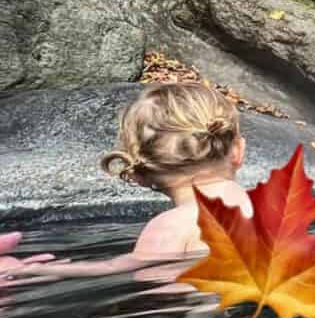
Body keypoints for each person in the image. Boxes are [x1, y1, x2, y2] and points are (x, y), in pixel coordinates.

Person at [1, 83, 252, 282]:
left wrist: (31, 271)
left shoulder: (172, 227)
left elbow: (114, 268)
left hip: (199, 311)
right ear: (239, 152)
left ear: (138, 174)